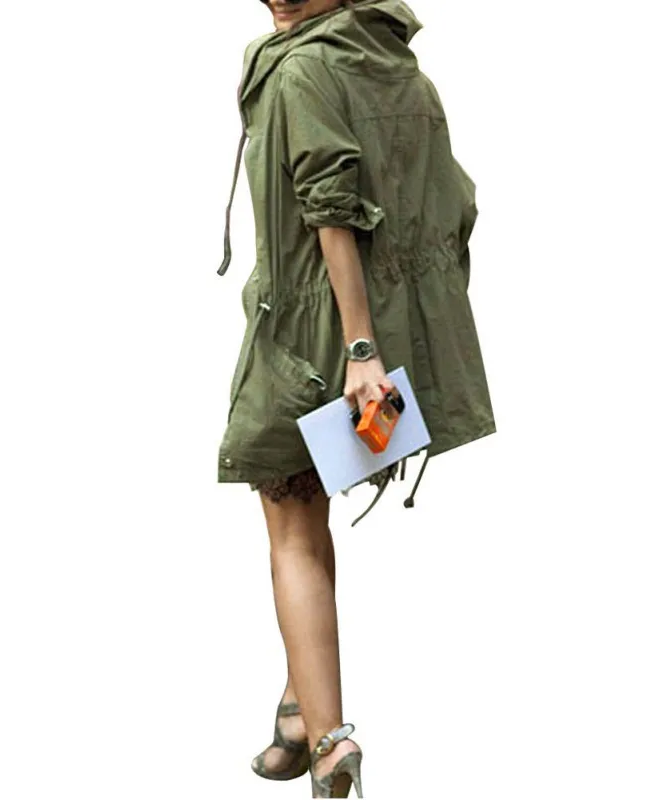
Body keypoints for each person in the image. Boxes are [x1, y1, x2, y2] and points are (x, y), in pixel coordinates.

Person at [216, 0, 496, 795]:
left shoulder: (299, 70)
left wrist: (361, 348)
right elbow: (456, 206)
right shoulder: (399, 68)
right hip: (375, 325)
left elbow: (329, 208)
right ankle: (297, 710)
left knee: (292, 534)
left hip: (318, 336)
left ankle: (330, 742)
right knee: (308, 520)